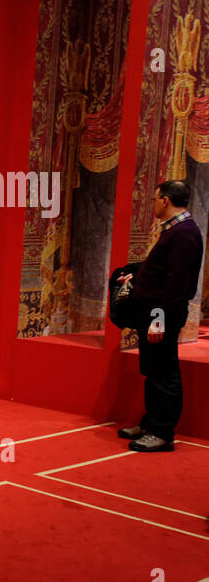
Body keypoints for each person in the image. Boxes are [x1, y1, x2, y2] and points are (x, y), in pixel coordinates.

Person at [115, 179, 204, 452]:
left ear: (165, 200)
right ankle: (150, 423)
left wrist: (157, 320)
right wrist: (139, 275)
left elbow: (175, 285)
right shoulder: (175, 231)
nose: (153, 203)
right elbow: (162, 270)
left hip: (162, 313)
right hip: (156, 312)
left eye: (155, 198)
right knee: (153, 371)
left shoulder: (184, 233)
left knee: (164, 373)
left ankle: (163, 432)